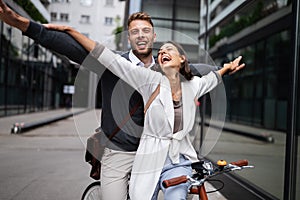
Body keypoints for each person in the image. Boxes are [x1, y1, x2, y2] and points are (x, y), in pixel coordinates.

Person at [40, 23, 245, 200]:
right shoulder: (148, 80)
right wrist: (70, 30)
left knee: (178, 195)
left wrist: (226, 68)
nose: (162, 52)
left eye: (169, 50)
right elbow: (109, 58)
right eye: (161, 51)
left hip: (179, 160)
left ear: (182, 59)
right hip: (150, 159)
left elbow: (213, 78)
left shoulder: (193, 85)